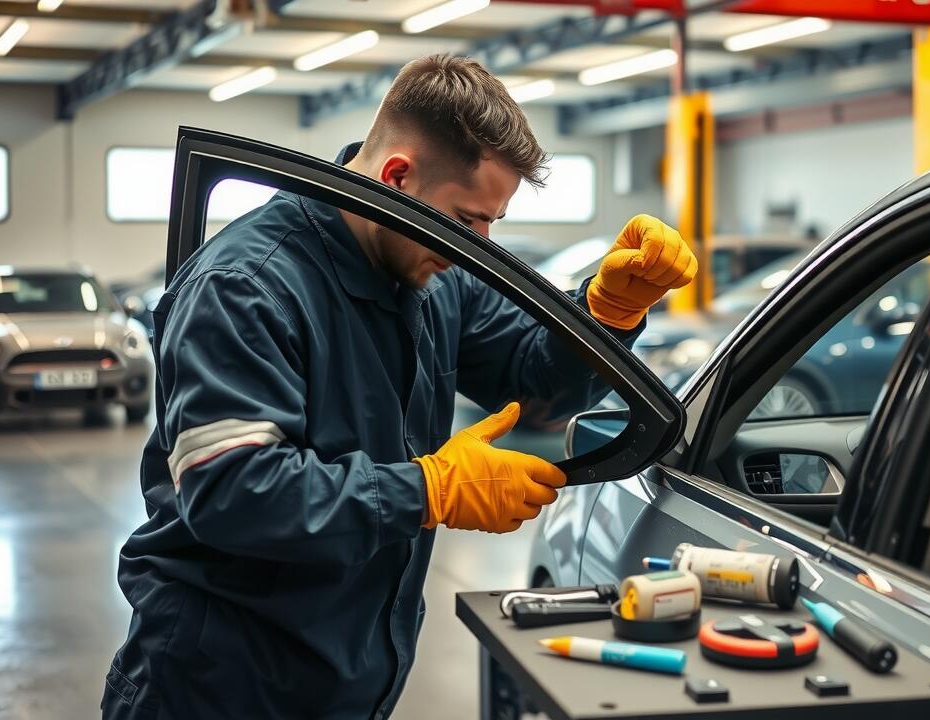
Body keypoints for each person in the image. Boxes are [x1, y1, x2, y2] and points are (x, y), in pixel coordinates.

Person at [101, 53, 697, 720]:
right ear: (396, 178)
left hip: (347, 685)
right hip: (218, 690)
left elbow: (533, 381)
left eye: (491, 223)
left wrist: (607, 313)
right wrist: (428, 490)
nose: (479, 245)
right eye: (467, 220)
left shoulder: (436, 273)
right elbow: (232, 493)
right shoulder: (247, 286)